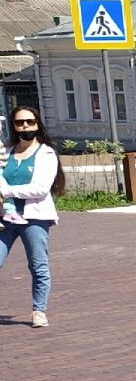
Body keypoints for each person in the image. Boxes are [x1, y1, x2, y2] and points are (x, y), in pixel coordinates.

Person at [1, 105, 60, 327]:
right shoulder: (6, 151)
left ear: (37, 124)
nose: (25, 126)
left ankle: (39, 311)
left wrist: (6, 191)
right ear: (13, 126)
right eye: (19, 122)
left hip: (34, 217)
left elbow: (40, 188)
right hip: (5, 218)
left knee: (38, 264)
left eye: (29, 122)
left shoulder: (46, 153)